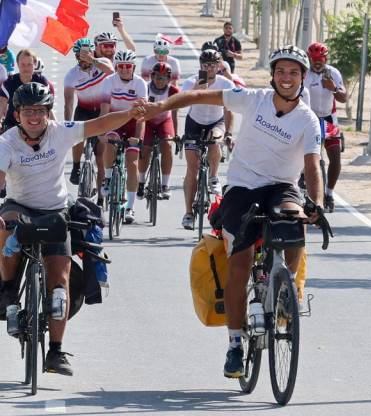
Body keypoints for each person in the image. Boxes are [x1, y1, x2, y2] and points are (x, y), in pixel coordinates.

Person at [138, 45, 324, 379]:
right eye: (281, 71)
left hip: (281, 186)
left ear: (303, 77)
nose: (287, 78)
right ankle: (236, 344)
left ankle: (286, 292)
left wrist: (317, 203)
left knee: (297, 220)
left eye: (294, 72)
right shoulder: (253, 99)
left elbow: (312, 166)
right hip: (243, 186)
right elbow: (198, 97)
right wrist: (162, 105)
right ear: (273, 75)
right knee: (238, 265)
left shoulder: (308, 120)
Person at [0, 82, 146, 375]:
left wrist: (130, 113)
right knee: (6, 224)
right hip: (19, 206)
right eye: (28, 112)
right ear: (18, 114)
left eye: (40, 111)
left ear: (49, 112)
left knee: (59, 284)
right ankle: (8, 289)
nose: (34, 117)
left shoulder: (61, 132)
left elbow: (100, 123)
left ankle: (56, 352)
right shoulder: (7, 142)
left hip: (55, 209)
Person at [179, 49, 234, 230]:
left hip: (215, 122)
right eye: (205, 65)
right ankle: (188, 213)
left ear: (219, 66)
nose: (209, 69)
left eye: (212, 65)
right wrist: (197, 88)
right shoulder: (191, 81)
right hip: (194, 123)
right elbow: (182, 100)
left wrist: (229, 133)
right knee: (192, 169)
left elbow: (229, 110)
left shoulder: (225, 83)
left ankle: (213, 177)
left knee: (215, 139)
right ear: (200, 66)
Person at [98, 49, 147, 223]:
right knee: (110, 142)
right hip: (115, 120)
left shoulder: (140, 83)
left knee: (132, 163)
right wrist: (103, 131)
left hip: (133, 122)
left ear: (133, 67)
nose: (125, 69)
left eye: (128, 66)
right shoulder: (109, 81)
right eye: (121, 66)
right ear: (117, 67)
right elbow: (104, 109)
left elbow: (142, 114)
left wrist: (138, 138)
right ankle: (108, 178)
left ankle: (130, 208)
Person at [64, 38, 114, 186]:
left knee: (100, 153)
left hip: (102, 109)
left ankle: (101, 190)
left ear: (93, 52)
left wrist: (93, 60)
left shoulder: (102, 63)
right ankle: (76, 166)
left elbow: (111, 71)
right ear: (76, 57)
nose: (83, 59)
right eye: (80, 56)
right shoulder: (71, 75)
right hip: (84, 109)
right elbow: (68, 102)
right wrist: (67, 124)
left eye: (87, 54)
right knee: (77, 134)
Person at [305, 42, 347, 212]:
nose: (317, 62)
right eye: (314, 59)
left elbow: (344, 98)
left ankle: (329, 193)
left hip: (329, 119)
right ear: (309, 58)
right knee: (307, 155)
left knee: (335, 158)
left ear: (326, 58)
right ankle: (302, 178)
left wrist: (333, 88)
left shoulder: (333, 73)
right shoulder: (304, 75)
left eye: (320, 59)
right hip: (310, 118)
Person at [137, 62, 179, 200]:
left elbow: (174, 115)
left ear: (169, 79)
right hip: (147, 121)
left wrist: (175, 135)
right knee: (145, 148)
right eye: (157, 77)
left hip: (164, 121)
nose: (160, 80)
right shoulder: (145, 88)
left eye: (164, 77)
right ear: (152, 76)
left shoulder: (173, 91)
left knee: (167, 146)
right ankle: (141, 182)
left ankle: (165, 185)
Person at [0, 49, 56, 135]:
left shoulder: (42, 81)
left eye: (29, 64)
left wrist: (55, 125)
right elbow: (1, 105)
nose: (26, 68)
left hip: (35, 123)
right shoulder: (9, 82)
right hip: (13, 124)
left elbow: (48, 107)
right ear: (18, 65)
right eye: (23, 64)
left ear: (35, 65)